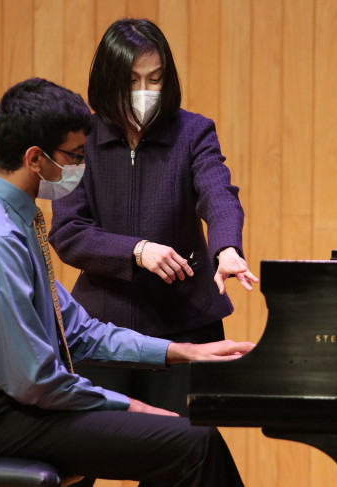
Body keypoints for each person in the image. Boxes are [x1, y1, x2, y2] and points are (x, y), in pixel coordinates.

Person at [0, 77, 254, 487]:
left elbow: (78, 330)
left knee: (191, 436)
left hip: (18, 408)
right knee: (195, 444)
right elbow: (34, 380)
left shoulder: (14, 221)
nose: (81, 166)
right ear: (36, 159)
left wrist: (182, 351)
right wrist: (131, 406)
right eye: (76, 155)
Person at [49, 18, 259, 416]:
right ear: (109, 81)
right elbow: (69, 230)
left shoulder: (193, 133)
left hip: (185, 322)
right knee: (85, 455)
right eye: (132, 81)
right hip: (100, 328)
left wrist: (227, 248)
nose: (145, 93)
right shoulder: (81, 140)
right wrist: (137, 250)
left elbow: (218, 194)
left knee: (184, 456)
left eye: (156, 79)